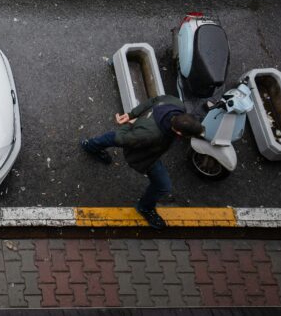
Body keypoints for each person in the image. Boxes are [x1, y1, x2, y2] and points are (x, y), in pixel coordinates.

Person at [80, 95, 204, 229]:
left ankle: (90, 146)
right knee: (163, 186)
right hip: (146, 155)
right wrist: (132, 124)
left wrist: (132, 115)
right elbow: (122, 139)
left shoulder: (175, 102)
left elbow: (153, 101)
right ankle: (145, 208)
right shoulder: (152, 135)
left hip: (142, 132)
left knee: (114, 137)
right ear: (179, 133)